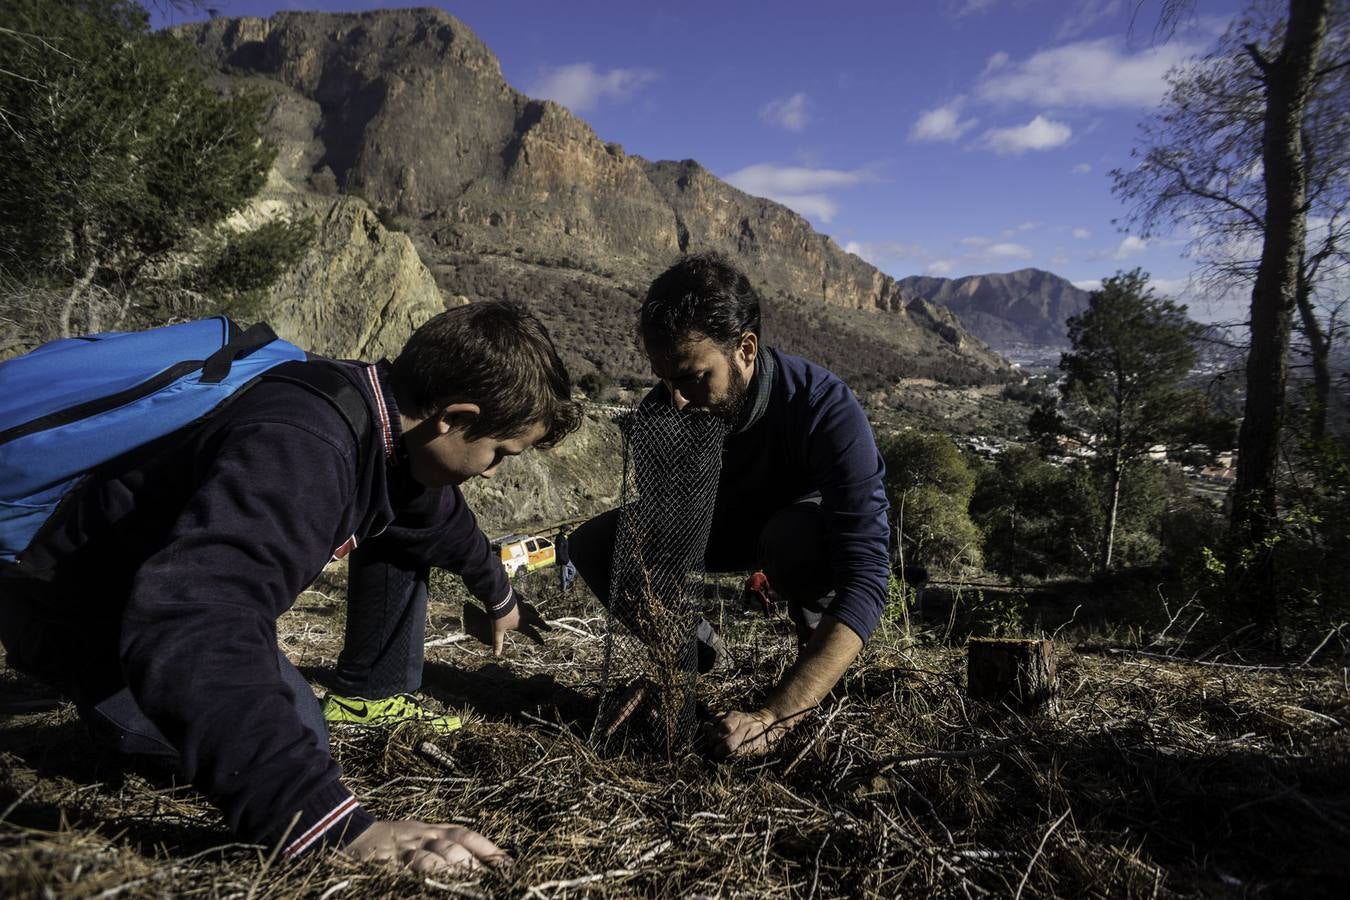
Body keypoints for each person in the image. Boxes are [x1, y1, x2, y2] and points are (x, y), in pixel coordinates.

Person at [0, 301, 580, 871]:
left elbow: (440, 523)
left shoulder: (372, 420)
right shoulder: (304, 443)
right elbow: (195, 620)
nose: (493, 471)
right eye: (499, 453)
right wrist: (329, 826)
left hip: (147, 597)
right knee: (294, 737)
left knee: (297, 723)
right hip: (79, 612)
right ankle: (105, 703)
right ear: (454, 419)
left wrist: (499, 596)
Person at [568, 252, 890, 759]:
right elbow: (662, 547)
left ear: (745, 348)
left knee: (792, 541)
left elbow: (868, 576)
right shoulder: (665, 411)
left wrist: (773, 717)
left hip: (797, 534)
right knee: (594, 545)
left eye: (695, 377)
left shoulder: (825, 407)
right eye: (665, 380)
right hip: (721, 528)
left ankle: (817, 665)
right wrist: (671, 665)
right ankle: (693, 655)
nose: (677, 398)